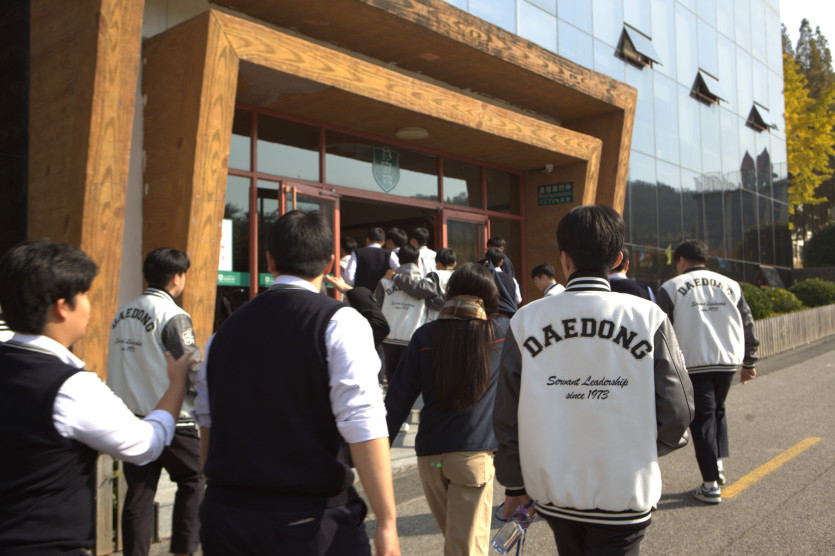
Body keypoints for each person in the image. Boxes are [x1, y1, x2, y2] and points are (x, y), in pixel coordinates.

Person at [195, 211, 399, 556]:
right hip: (312, 522)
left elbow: (207, 425)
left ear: (269, 260)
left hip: (228, 518)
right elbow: (363, 422)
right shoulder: (340, 323)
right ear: (330, 262)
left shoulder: (221, 335)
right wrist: (387, 521)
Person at [493, 205, 694, 555]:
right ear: (617, 259)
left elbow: (507, 416)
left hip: (554, 492)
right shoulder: (648, 317)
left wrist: (514, 484)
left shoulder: (526, 320)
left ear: (564, 259)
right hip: (625, 493)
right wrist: (641, 447)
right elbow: (679, 411)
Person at [0, 241, 193, 554]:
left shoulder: (122, 315)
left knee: (138, 496)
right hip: (46, 545)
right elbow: (144, 445)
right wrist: (176, 385)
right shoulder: (70, 386)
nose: (90, 307)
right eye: (85, 295)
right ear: (62, 307)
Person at [385, 263, 507, 556]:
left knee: (460, 545)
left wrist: (374, 451)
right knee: (466, 549)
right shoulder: (501, 333)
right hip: (472, 459)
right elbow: (511, 308)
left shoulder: (424, 336)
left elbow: (397, 401)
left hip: (431, 461)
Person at [107, 247, 203, 556]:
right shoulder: (173, 315)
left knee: (139, 492)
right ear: (177, 277)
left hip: (132, 417)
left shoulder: (122, 313)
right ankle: (183, 551)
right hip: (173, 418)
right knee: (193, 480)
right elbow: (191, 367)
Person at [657, 239, 759, 504]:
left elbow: (660, 330)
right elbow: (747, 323)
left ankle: (710, 485)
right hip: (727, 362)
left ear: (681, 261)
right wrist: (749, 361)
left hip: (694, 362)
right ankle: (718, 465)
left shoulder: (671, 287)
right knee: (717, 411)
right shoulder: (731, 285)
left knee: (702, 420)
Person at [376, 244, 435, 383]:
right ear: (417, 262)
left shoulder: (385, 282)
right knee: (410, 381)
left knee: (392, 379)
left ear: (399, 261)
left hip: (389, 336)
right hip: (413, 336)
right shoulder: (426, 284)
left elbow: (377, 307)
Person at [422, 247, 457, 322]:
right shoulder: (460, 276)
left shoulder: (433, 275)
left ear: (437, 263)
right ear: (455, 263)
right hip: (454, 317)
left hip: (435, 317)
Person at [484, 247, 520, 316]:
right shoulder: (512, 280)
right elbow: (518, 299)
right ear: (501, 262)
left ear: (486, 261)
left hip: (489, 317)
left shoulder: (483, 278)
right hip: (508, 317)